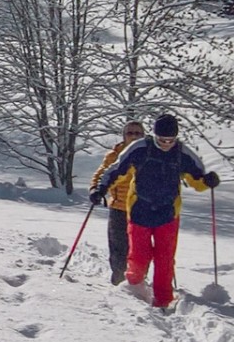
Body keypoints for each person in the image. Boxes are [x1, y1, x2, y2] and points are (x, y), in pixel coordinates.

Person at [90, 113, 219, 310]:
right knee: (139, 256)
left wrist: (207, 181)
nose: (166, 143)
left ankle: (163, 300)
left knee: (165, 259)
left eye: (170, 140)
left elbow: (197, 179)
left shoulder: (182, 153)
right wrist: (100, 188)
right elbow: (116, 170)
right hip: (139, 210)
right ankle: (134, 290)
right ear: (154, 135)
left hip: (167, 213)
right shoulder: (140, 148)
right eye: (162, 139)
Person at [89, 119, 145, 285]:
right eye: (130, 133)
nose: (134, 136)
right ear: (123, 136)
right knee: (118, 251)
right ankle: (119, 284)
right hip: (119, 208)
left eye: (138, 133)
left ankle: (138, 283)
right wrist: (95, 189)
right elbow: (100, 175)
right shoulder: (114, 155)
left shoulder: (150, 155)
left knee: (140, 251)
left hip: (143, 210)